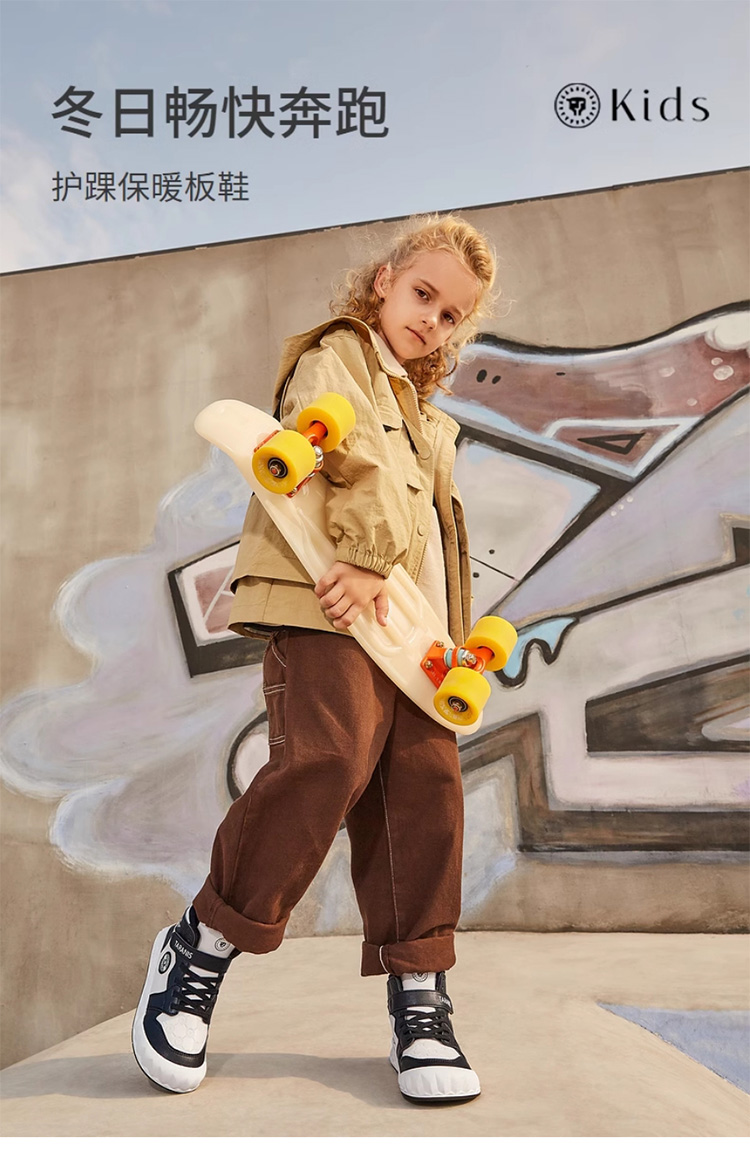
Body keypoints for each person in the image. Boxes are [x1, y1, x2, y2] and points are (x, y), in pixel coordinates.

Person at [132, 213, 498, 1105]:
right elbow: (347, 451)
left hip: (416, 645)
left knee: (426, 795)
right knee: (326, 761)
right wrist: (366, 558)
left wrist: (452, 643)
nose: (432, 320)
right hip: (329, 600)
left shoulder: (431, 422)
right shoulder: (337, 356)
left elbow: (436, 546)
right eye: (423, 294)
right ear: (383, 282)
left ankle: (420, 993)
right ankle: (201, 944)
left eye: (451, 314)